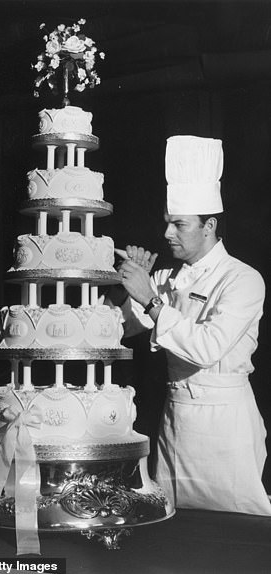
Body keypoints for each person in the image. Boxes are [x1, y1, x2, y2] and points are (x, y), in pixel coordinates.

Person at [107, 135, 271, 515]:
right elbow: (118, 328)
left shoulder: (243, 279)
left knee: (234, 535)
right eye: (167, 224)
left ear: (209, 225)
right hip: (174, 421)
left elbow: (207, 347)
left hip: (223, 425)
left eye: (178, 225)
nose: (167, 235)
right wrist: (129, 282)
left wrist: (150, 298)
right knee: (172, 529)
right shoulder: (166, 277)